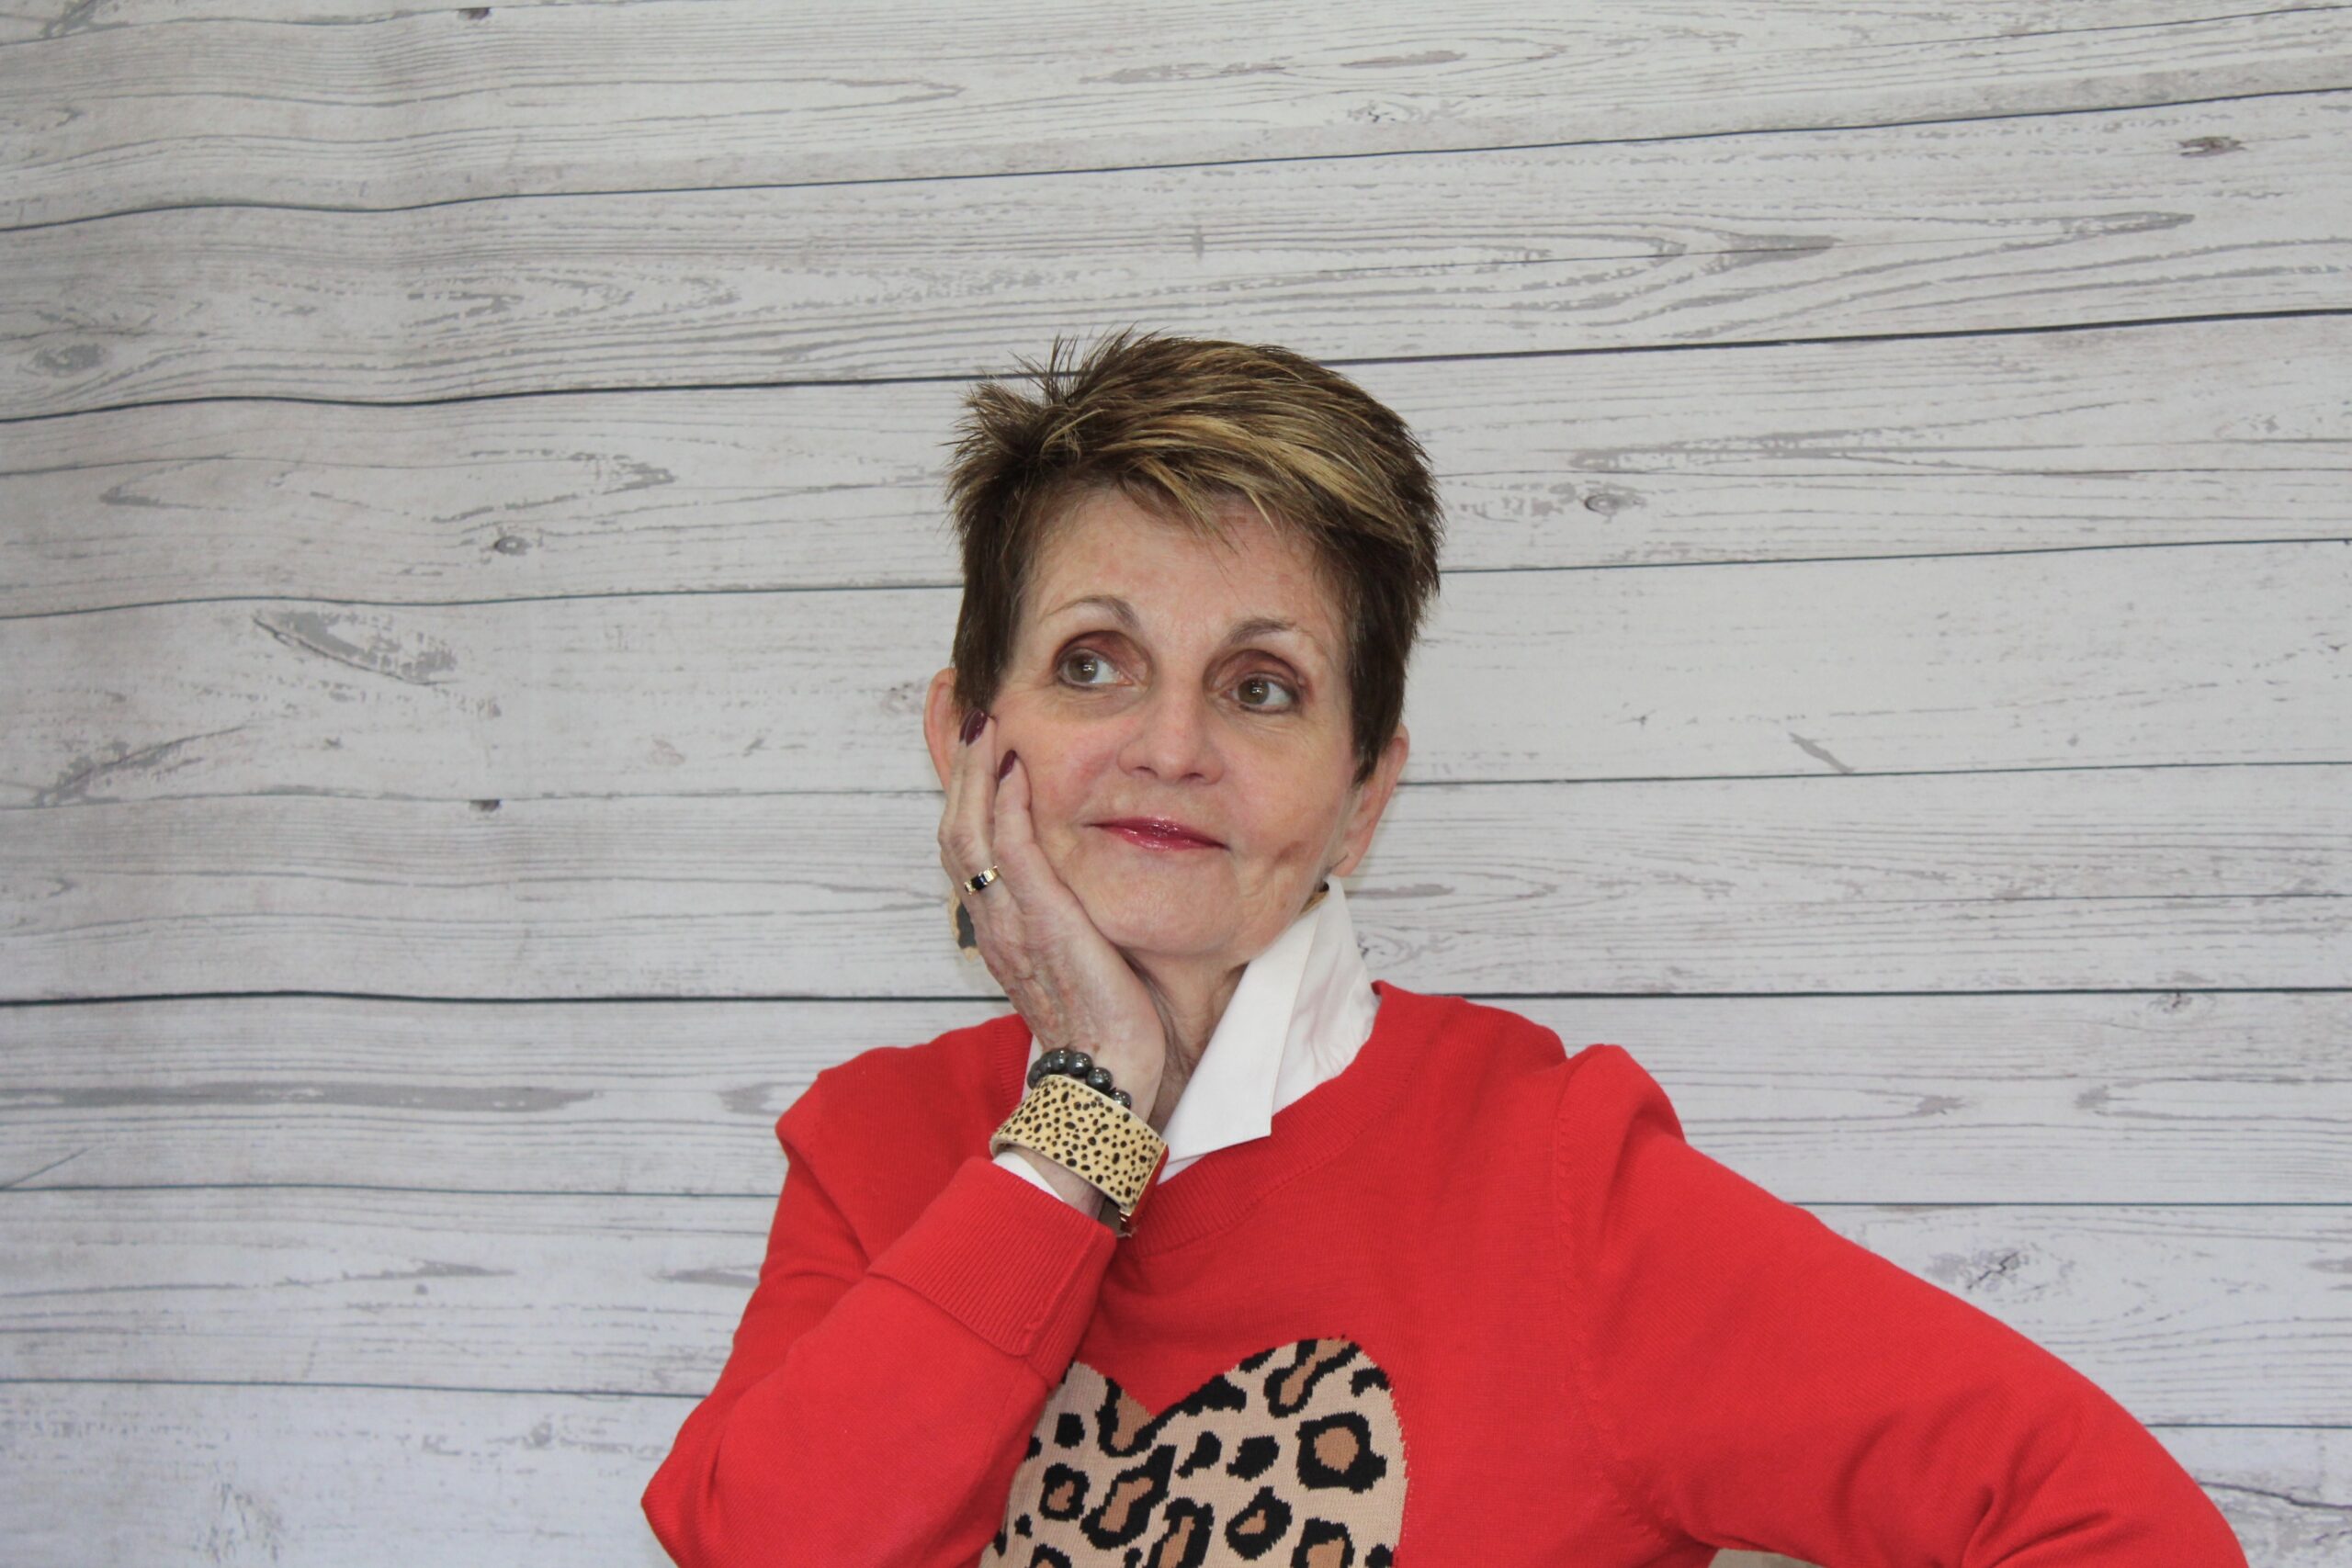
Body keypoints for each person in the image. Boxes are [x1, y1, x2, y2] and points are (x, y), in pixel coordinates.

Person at [641, 328, 2247, 1565]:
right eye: (1094, 662)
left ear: (1363, 793)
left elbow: (2108, 1524)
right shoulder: (877, 1148)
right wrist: (1086, 1105)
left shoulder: (1552, 1177)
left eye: (1262, 686)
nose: (1171, 744)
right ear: (967, 733)